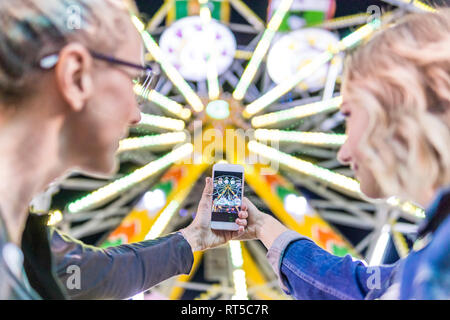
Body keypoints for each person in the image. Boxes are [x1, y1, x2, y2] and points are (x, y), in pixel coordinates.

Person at [0, 0, 247, 300]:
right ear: (75, 75)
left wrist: (195, 237)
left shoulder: (27, 244)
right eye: (134, 80)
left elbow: (90, 276)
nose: (136, 114)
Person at [239, 8, 450, 300]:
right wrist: (262, 225)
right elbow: (356, 289)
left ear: (401, 105)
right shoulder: (427, 259)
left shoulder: (439, 264)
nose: (343, 153)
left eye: (350, 113)